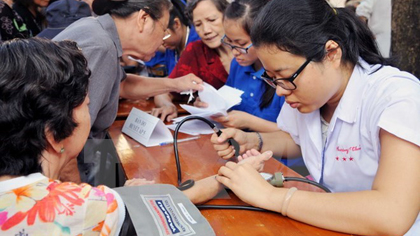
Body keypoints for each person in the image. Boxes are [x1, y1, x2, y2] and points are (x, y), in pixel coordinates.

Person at [0, 37, 272, 235]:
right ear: (54, 133)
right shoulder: (76, 208)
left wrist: (226, 176)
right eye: (86, 104)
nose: (91, 111)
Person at [211, 0, 420, 235]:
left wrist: (272, 197)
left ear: (331, 53)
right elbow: (298, 140)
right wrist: (254, 141)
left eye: (285, 76)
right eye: (272, 78)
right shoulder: (306, 93)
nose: (280, 90)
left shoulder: (396, 97)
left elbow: (392, 214)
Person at [53, 0, 204, 185]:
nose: (162, 40)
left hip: (86, 150)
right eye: (163, 29)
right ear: (143, 19)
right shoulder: (101, 47)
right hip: (73, 161)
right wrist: (79, 196)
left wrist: (175, 84)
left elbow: (122, 85)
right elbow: (65, 135)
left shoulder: (98, 32)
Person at [209, 0, 284, 132]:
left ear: (263, 37)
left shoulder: (283, 76)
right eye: (229, 42)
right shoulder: (237, 65)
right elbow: (227, 104)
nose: (234, 52)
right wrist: (210, 105)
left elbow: (294, 136)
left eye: (241, 44)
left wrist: (248, 121)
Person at [152, 0, 232, 122]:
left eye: (212, 20)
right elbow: (164, 90)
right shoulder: (196, 51)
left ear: (228, 16)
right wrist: (167, 105)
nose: (206, 30)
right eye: (198, 24)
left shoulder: (252, 49)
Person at [145, 0, 200, 78]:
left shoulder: (198, 43)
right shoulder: (172, 50)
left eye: (163, 35)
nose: (160, 42)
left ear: (176, 24)